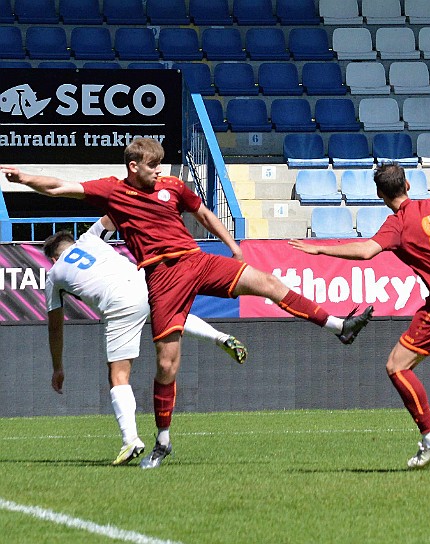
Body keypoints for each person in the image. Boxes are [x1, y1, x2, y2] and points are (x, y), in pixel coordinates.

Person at [3, 137, 373, 470]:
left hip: (196, 261)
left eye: (160, 165)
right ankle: (162, 440)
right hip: (161, 279)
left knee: (268, 282)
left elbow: (203, 213)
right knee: (167, 364)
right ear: (134, 167)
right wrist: (24, 178)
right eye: (152, 166)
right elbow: (58, 187)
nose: (159, 171)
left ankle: (339, 326)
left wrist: (230, 243)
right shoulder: (114, 192)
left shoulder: (173, 186)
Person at [289, 163, 430, 469]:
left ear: (379, 194)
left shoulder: (398, 225)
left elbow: (367, 251)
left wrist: (321, 251)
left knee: (397, 367)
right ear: (408, 184)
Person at [43, 217, 247, 466]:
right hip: (144, 280)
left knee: (118, 376)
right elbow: (113, 214)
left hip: (118, 301)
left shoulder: (53, 276)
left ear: (53, 259)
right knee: (172, 317)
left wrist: (57, 367)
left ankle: (131, 439)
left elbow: (55, 327)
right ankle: (220, 337)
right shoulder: (89, 238)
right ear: (72, 242)